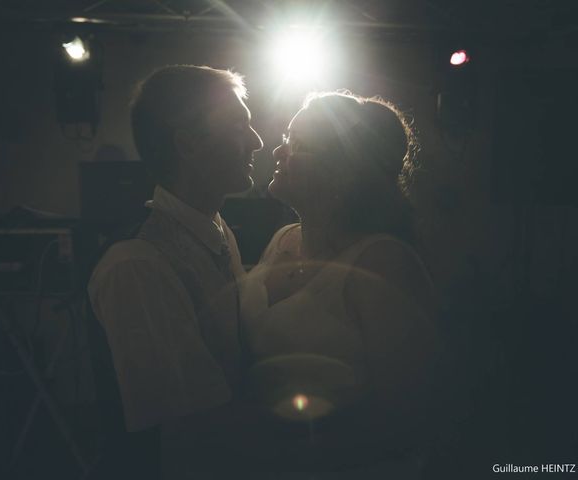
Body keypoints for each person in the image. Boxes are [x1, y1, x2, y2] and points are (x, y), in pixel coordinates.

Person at [240, 91, 442, 476]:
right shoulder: (282, 239)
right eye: (286, 139)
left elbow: (407, 413)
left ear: (344, 170)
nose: (279, 153)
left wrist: (288, 456)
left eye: (297, 145)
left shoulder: (383, 262)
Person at [87, 65, 263, 478]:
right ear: (188, 144)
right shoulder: (138, 263)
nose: (256, 142)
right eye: (240, 126)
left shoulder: (218, 233)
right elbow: (188, 429)